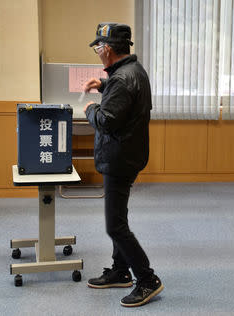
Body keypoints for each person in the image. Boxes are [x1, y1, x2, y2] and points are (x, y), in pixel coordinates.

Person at [83, 22, 163, 307]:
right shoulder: (133, 71)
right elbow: (124, 94)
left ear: (107, 49)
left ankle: (147, 279)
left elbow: (106, 120)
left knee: (115, 226)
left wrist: (91, 109)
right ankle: (120, 271)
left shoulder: (122, 78)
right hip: (128, 155)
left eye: (98, 47)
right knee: (118, 218)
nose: (97, 52)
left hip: (119, 158)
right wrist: (102, 85)